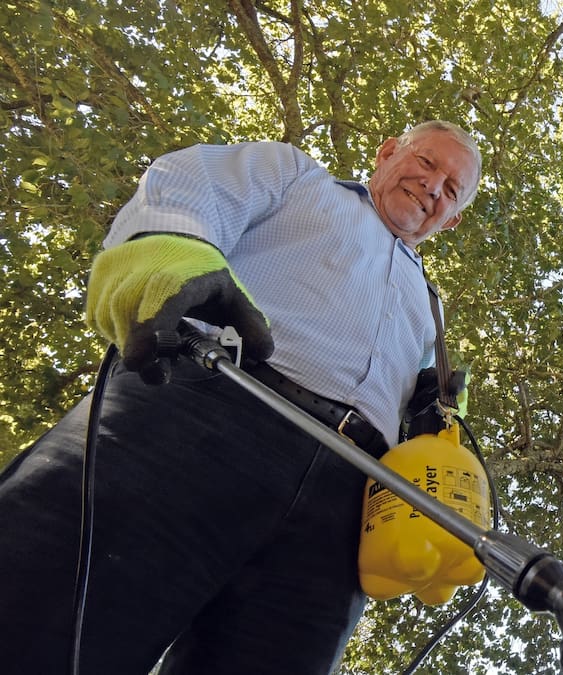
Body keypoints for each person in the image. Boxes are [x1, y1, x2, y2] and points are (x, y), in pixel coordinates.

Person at [0, 120, 482, 674]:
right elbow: (198, 186)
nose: (433, 186)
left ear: (454, 218)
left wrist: (437, 428)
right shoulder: (299, 177)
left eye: (450, 190)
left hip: (344, 508)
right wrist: (169, 251)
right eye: (427, 163)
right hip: (203, 412)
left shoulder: (432, 314)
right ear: (388, 152)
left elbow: (427, 423)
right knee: (42, 617)